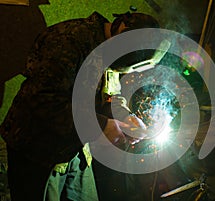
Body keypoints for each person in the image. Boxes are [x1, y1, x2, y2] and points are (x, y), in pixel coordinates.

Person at [0, 11, 159, 201]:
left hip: (75, 150)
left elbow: (110, 95)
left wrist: (124, 116)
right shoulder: (69, 40)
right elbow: (44, 100)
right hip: (38, 150)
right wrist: (101, 127)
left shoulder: (112, 49)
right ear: (123, 30)